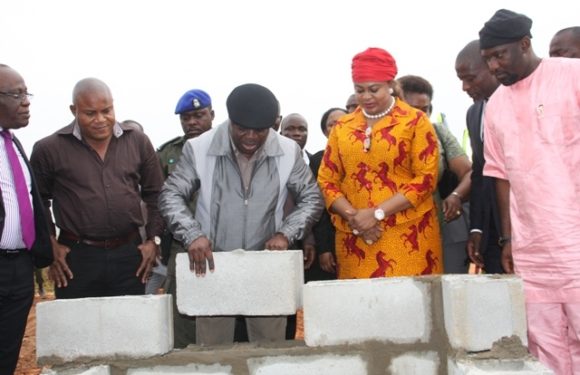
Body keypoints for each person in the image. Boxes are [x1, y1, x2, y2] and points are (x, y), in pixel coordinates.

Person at [159, 83, 323, 346]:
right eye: (242, 129)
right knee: (213, 354)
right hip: (213, 264)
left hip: (267, 265)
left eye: (259, 131)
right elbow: (170, 195)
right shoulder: (199, 147)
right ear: (229, 121)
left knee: (269, 351)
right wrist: (192, 235)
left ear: (272, 125)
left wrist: (286, 233)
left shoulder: (288, 150)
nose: (250, 137)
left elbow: (312, 198)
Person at [479, 9, 580, 374]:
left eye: (499, 55)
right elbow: (499, 174)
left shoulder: (572, 75)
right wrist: (508, 238)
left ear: (525, 44)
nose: (492, 66)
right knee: (545, 344)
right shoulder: (496, 105)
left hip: (574, 238)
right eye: (487, 58)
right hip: (532, 249)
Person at [30, 77, 165, 299]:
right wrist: (51, 243)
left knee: (130, 325)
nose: (101, 119)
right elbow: (37, 201)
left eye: (107, 110)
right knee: (80, 328)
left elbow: (156, 194)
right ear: (74, 110)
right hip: (76, 258)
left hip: (130, 255)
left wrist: (153, 240)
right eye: (90, 113)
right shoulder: (49, 149)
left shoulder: (138, 142)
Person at [318, 48, 442, 279]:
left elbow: (426, 178)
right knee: (360, 308)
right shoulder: (343, 127)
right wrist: (353, 215)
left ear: (391, 85)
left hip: (407, 234)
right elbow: (327, 178)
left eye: (374, 90)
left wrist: (376, 214)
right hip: (355, 237)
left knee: (408, 307)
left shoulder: (414, 121)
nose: (366, 97)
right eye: (359, 90)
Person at [0, 64, 52, 375]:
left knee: (7, 354)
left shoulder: (14, 145)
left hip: (19, 269)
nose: (26, 101)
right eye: (16, 94)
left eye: (26, 93)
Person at [397, 75, 472, 274]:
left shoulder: (438, 132)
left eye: (425, 109)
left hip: (441, 229)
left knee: (446, 294)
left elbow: (468, 172)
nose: (420, 116)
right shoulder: (378, 137)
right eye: (412, 109)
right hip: (396, 231)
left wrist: (456, 196)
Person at [157, 89, 214, 347]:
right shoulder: (169, 152)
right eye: (186, 118)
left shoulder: (230, 147)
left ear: (211, 115)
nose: (192, 122)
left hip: (222, 243)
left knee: (223, 310)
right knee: (181, 313)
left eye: (198, 115)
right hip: (181, 246)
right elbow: (158, 198)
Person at [455, 40, 503, 274]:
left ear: (492, 67)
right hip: (491, 232)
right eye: (461, 80)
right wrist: (476, 228)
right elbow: (479, 173)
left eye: (470, 78)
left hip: (530, 227)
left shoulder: (521, 103)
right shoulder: (473, 114)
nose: (464, 87)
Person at [310, 107, 348, 276]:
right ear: (325, 131)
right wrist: (324, 248)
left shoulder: (369, 154)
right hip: (332, 238)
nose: (338, 127)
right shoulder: (319, 160)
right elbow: (318, 206)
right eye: (332, 124)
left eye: (344, 122)